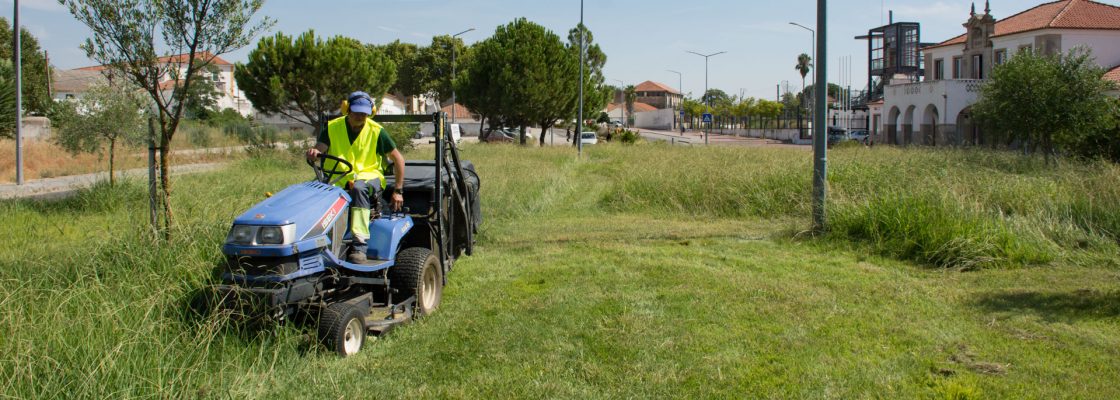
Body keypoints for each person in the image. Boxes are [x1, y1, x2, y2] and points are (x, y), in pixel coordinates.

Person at [306, 91, 405, 263]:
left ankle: (359, 245)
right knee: (312, 191)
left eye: (364, 113)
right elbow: (319, 149)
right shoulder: (332, 127)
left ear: (370, 112)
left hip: (369, 177)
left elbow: (398, 159)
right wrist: (315, 153)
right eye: (357, 112)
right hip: (337, 179)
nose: (360, 116)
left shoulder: (377, 131)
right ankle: (315, 242)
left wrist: (398, 190)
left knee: (358, 188)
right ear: (346, 109)